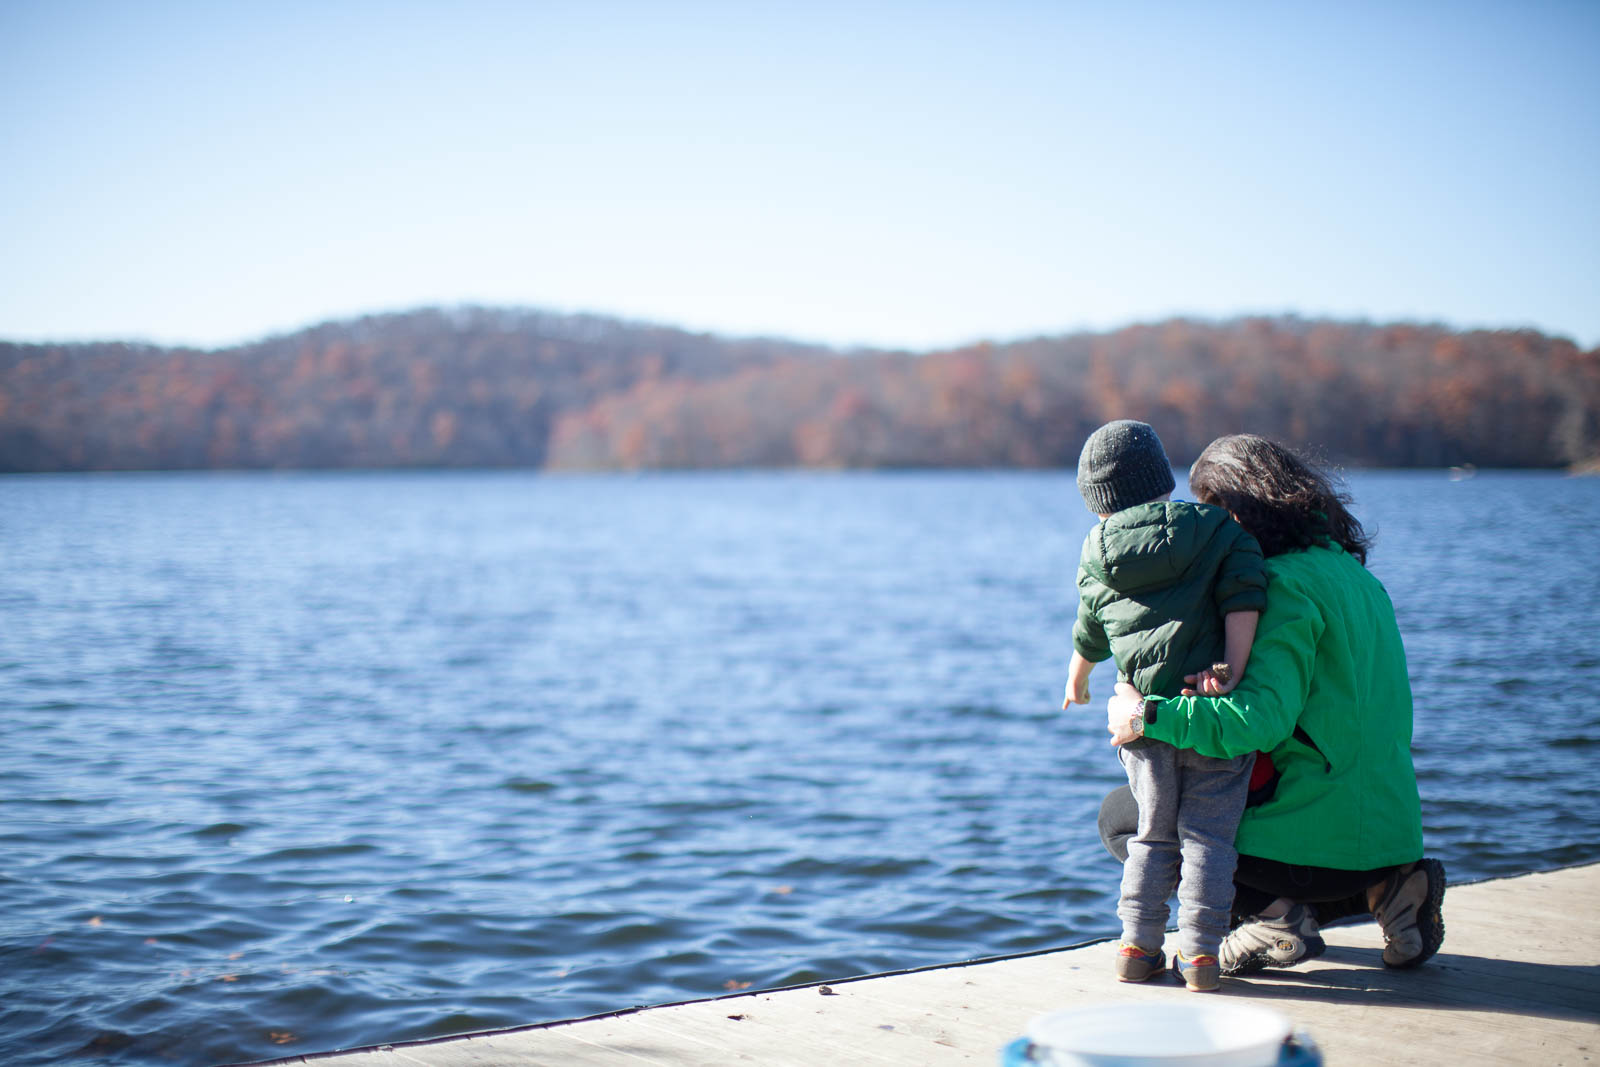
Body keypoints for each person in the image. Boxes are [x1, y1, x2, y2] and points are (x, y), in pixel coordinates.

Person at [1100, 433, 1446, 976]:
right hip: (1388, 834)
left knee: (1126, 816)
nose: (1202, 534)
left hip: (1311, 850)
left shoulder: (1279, 586)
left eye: (1209, 515)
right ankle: (1391, 889)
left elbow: (1257, 722)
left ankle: (1279, 920)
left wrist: (1148, 715)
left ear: (1236, 514)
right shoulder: (1358, 579)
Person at [1065, 420, 1268, 992]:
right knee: (1208, 838)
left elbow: (1091, 625)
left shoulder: (1097, 551)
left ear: (1097, 502)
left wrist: (1077, 678)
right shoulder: (1216, 530)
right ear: (1162, 479)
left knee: (1152, 834)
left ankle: (1137, 946)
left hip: (1142, 722)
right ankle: (1201, 956)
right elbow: (1245, 592)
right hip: (1205, 711)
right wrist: (1230, 669)